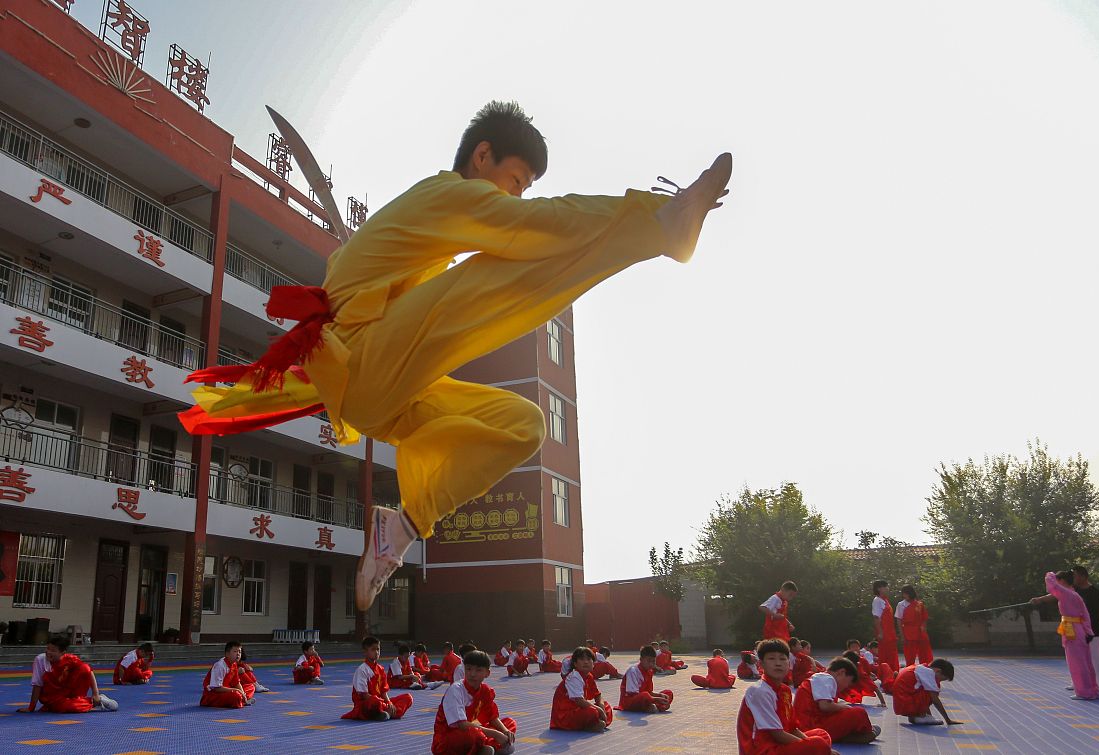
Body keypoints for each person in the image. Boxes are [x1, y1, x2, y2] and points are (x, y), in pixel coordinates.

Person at [178, 102, 734, 614]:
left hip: (388, 390)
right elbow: (531, 227)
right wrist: (653, 215)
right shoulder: (447, 194)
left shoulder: (429, 220)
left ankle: (398, 530)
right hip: (369, 366)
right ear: (483, 155)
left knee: (524, 424)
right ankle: (659, 223)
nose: (515, 195)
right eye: (516, 180)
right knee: (501, 274)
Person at [735, 638, 833, 754]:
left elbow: (792, 728)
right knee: (819, 744)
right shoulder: (759, 691)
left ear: (788, 663)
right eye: (771, 659)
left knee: (821, 735)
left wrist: (809, 744)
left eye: (782, 659)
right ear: (761, 664)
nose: (778, 663)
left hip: (778, 743)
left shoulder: (785, 690)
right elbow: (778, 735)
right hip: (761, 750)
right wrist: (812, 746)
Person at [1031, 565, 1099, 693]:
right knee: (1078, 658)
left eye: (1075, 575)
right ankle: (1079, 683)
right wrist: (1040, 600)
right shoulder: (1073, 590)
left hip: (1092, 628)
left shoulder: (1094, 592)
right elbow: (1055, 594)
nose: (1073, 577)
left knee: (1095, 658)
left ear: (1083, 576)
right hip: (1077, 628)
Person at [431, 650, 517, 755]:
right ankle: (485, 748)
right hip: (448, 740)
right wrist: (495, 734)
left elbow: (492, 717)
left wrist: (504, 731)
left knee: (509, 723)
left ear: (487, 673)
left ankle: (485, 748)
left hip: (473, 732)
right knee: (475, 733)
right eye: (468, 669)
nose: (472, 674)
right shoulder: (456, 690)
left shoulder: (485, 690)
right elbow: (462, 725)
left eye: (478, 670)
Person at [793, 657, 880, 745]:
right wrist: (844, 707)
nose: (846, 687)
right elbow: (825, 706)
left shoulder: (819, 678)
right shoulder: (827, 678)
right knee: (859, 712)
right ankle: (866, 732)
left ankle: (848, 735)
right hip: (812, 727)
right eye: (848, 683)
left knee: (846, 712)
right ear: (841, 673)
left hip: (807, 726)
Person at [21, 636, 117, 713]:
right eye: (48, 649)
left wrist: (95, 694)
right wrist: (31, 707)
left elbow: (88, 671)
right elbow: (37, 685)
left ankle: (92, 699)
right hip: (52, 697)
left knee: (84, 668)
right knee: (68, 707)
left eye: (53, 650)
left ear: (62, 653)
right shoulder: (40, 660)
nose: (48, 653)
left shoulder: (70, 659)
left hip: (67, 692)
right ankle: (94, 702)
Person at [343, 636, 415, 721]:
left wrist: (389, 703)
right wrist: (382, 703)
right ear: (365, 652)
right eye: (373, 649)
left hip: (380, 703)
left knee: (408, 697)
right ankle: (388, 712)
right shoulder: (362, 670)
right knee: (374, 701)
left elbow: (384, 692)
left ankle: (387, 713)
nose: (376, 652)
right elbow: (364, 695)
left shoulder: (380, 669)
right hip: (366, 705)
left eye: (378, 649)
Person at [550, 647, 612, 732]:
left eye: (589, 659)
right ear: (575, 663)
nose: (586, 662)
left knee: (606, 706)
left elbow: (598, 695)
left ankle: (594, 723)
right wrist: (600, 710)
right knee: (592, 712)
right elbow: (579, 701)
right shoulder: (574, 677)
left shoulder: (589, 676)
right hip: (565, 715)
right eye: (582, 659)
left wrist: (601, 707)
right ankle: (591, 725)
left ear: (593, 664)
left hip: (578, 709)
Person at [891, 659, 959, 726]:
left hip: (901, 704)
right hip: (905, 704)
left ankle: (919, 717)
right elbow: (935, 699)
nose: (939, 681)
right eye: (941, 679)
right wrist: (947, 719)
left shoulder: (921, 668)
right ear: (938, 671)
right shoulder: (929, 673)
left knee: (929, 688)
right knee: (933, 690)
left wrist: (929, 716)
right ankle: (922, 716)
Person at [201, 641, 256, 708]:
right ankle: (242, 700)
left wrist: (242, 692)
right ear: (227, 654)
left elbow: (236, 683)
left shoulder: (234, 664)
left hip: (228, 690)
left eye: (239, 652)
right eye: (235, 651)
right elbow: (216, 688)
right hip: (214, 695)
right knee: (236, 696)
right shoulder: (220, 666)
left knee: (251, 687)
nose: (238, 654)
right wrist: (237, 690)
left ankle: (243, 699)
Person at [619, 645, 674, 712]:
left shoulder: (650, 671)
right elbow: (633, 694)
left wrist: (660, 695)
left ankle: (653, 706)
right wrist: (656, 699)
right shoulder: (633, 671)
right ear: (641, 660)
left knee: (668, 693)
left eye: (653, 661)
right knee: (645, 695)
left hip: (646, 698)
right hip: (630, 701)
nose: (651, 664)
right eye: (648, 661)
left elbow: (650, 692)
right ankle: (655, 706)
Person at [896, 585, 933, 666]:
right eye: (903, 594)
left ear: (910, 593)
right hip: (908, 633)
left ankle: (925, 670)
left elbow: (924, 618)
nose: (904, 595)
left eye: (905, 593)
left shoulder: (919, 604)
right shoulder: (901, 604)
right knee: (910, 656)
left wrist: (923, 629)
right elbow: (899, 620)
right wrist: (902, 636)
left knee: (925, 655)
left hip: (920, 633)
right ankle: (910, 672)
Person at [871, 580, 900, 672]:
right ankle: (886, 676)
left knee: (892, 654)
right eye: (885, 587)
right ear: (879, 588)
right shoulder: (877, 601)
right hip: (884, 633)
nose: (887, 588)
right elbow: (876, 618)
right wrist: (880, 633)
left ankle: (894, 673)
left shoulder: (885, 600)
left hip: (890, 632)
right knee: (886, 655)